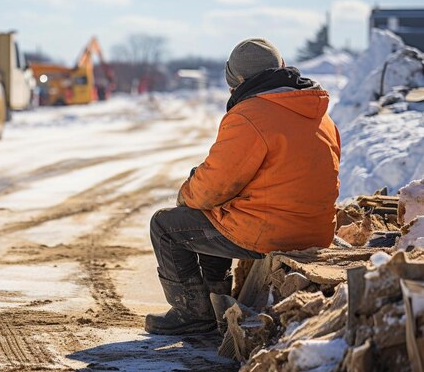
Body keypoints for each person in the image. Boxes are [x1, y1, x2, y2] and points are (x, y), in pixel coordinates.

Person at [145, 38, 341, 335]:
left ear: (237, 81)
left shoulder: (251, 115)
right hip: (317, 230)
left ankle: (191, 313)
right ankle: (214, 301)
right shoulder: (319, 114)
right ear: (282, 69)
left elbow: (213, 188)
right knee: (213, 214)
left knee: (166, 225)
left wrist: (186, 193)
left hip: (273, 231)